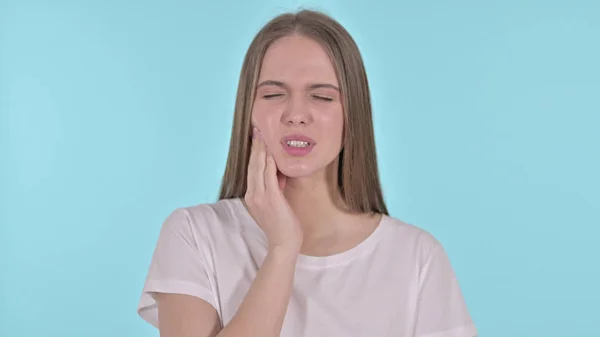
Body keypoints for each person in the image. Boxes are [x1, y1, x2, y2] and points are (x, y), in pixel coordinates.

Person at [136, 9, 478, 337]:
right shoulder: (194, 235)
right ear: (248, 113)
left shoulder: (417, 258)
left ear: (352, 115)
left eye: (322, 97)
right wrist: (283, 249)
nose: (296, 114)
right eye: (273, 94)